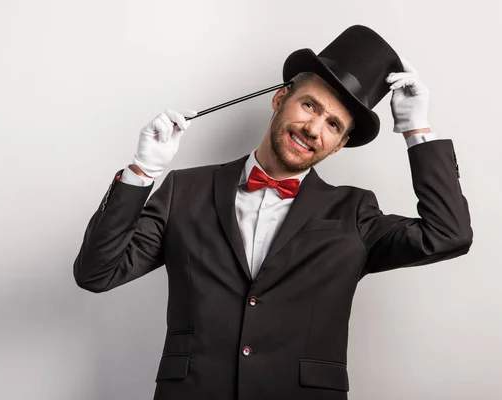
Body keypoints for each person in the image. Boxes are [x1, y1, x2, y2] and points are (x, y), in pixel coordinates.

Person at [73, 25, 473, 400]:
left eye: (333, 124)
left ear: (339, 144)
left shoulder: (355, 213)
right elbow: (96, 273)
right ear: (280, 98)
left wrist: (416, 129)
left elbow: (448, 234)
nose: (314, 128)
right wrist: (143, 171)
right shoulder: (184, 190)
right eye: (310, 105)